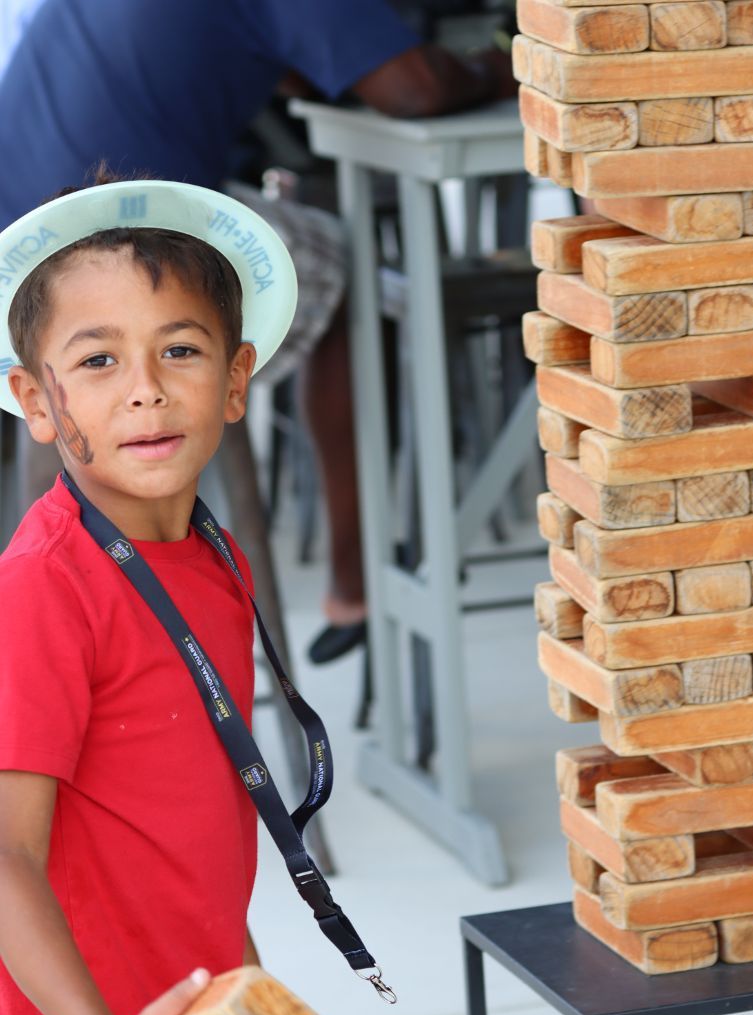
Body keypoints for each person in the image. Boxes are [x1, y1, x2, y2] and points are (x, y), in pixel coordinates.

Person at [0, 0, 515, 660]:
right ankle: (354, 579)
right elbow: (414, 89)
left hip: (20, 248)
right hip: (114, 238)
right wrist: (504, 67)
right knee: (341, 263)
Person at [0, 174, 307, 1015]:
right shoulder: (46, 590)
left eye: (179, 349)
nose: (145, 387)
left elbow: (180, 810)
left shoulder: (211, 556)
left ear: (234, 378)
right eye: (97, 361)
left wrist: (242, 974)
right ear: (37, 402)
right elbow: (4, 849)